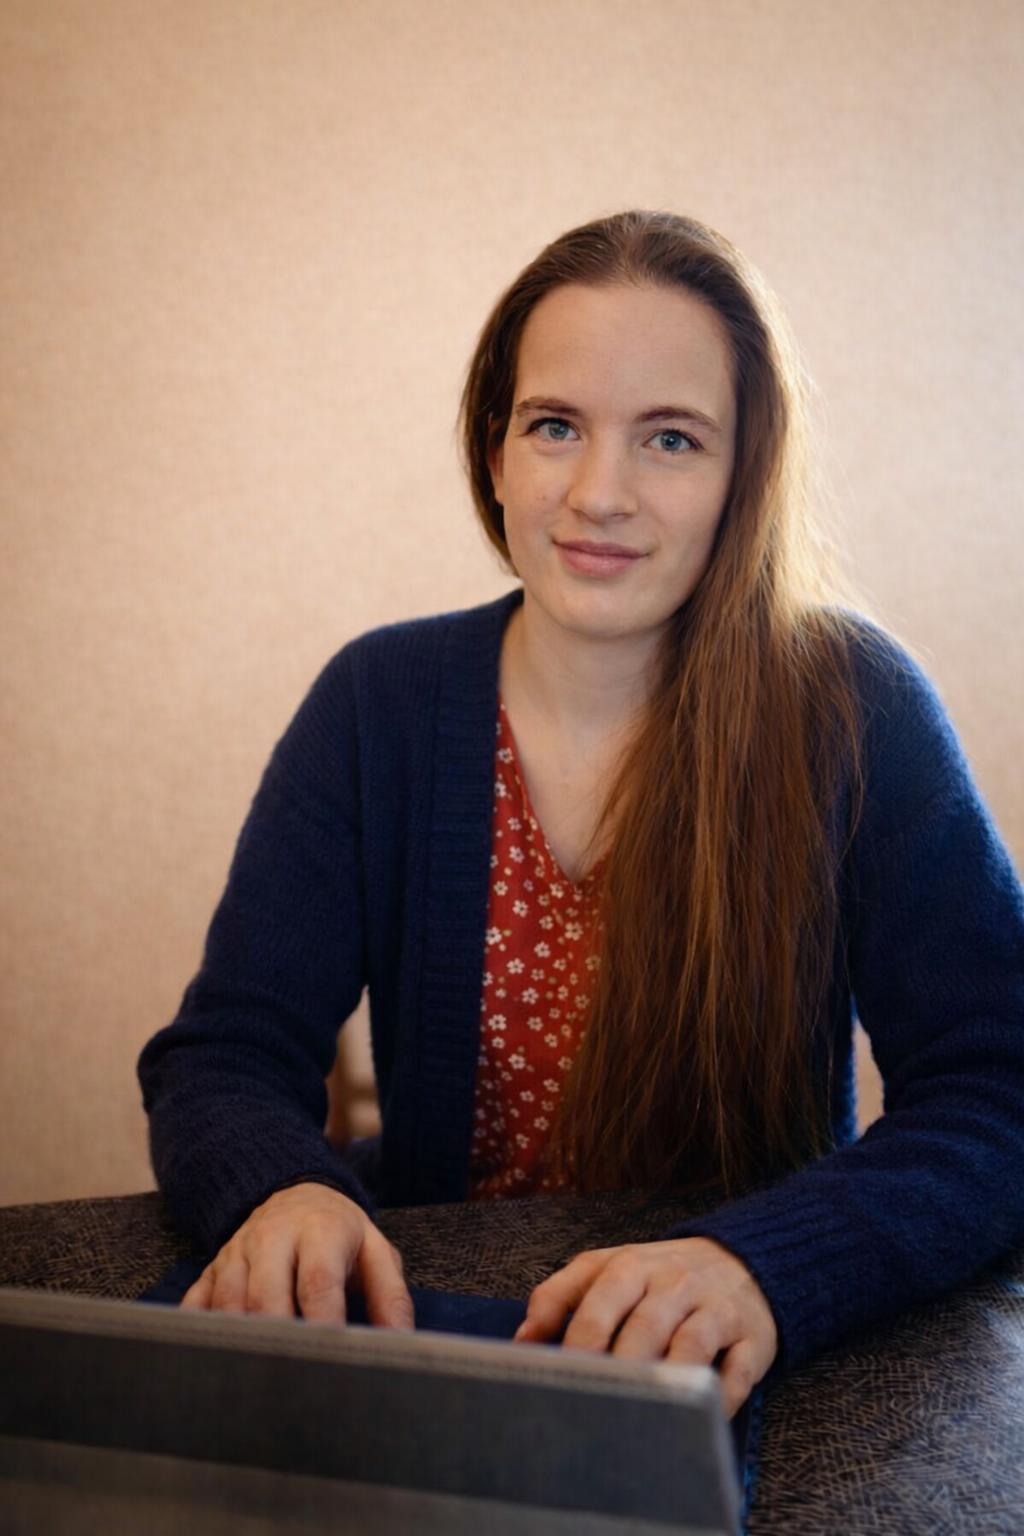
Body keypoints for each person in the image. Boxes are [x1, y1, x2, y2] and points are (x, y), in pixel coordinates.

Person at [137, 210, 1024, 1419]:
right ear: (495, 453)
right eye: (554, 425)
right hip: (440, 1337)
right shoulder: (376, 702)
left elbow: (997, 1088)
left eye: (671, 438)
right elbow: (225, 1052)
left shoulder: (854, 706)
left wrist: (766, 1265)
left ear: (742, 475)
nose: (599, 493)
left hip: (743, 1354)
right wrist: (282, 1192)